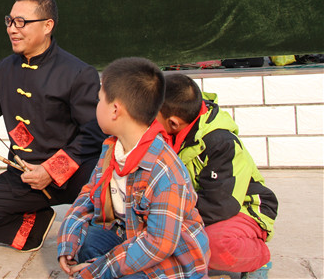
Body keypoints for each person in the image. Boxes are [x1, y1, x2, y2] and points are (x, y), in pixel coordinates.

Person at [0, 0, 107, 252]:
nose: (13, 29)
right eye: (9, 21)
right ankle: (36, 226)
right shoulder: (5, 67)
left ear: (48, 26)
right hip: (24, 175)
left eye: (21, 22)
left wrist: (51, 171)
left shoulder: (78, 72)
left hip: (72, 174)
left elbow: (93, 133)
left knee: (109, 204)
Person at [57, 57, 209, 279]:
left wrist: (97, 269)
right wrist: (67, 244)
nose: (96, 105)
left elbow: (157, 245)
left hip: (172, 260)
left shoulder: (165, 172)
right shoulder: (112, 149)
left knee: (119, 273)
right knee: (86, 244)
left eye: (99, 100)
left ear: (115, 110)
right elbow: (88, 196)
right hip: (129, 235)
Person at [157, 74, 278, 279]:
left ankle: (258, 256)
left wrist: (171, 218)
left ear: (174, 122)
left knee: (210, 245)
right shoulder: (174, 129)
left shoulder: (220, 142)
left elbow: (221, 205)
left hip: (243, 207)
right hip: (198, 206)